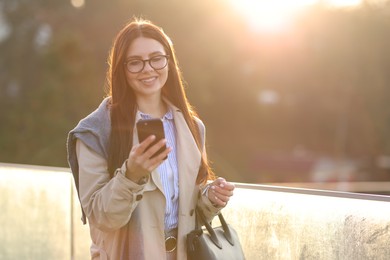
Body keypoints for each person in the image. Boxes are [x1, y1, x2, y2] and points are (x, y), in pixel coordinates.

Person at [67, 18, 235, 260]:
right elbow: (101, 219)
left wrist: (210, 199)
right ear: (121, 69)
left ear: (169, 61)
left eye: (156, 58)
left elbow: (188, 212)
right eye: (135, 62)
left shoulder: (192, 127)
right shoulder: (95, 132)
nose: (148, 69)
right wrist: (131, 175)